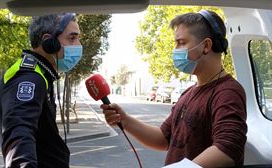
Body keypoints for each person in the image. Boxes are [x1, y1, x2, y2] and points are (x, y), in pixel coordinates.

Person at [101, 10, 247, 167]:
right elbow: (164, 138)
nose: (175, 49)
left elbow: (228, 149)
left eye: (182, 42)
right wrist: (125, 120)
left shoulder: (228, 92)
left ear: (206, 46)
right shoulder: (189, 92)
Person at [0, 12, 82, 168]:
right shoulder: (29, 78)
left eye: (78, 38)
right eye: (71, 38)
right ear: (48, 42)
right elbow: (19, 133)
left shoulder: (41, 75)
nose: (78, 45)